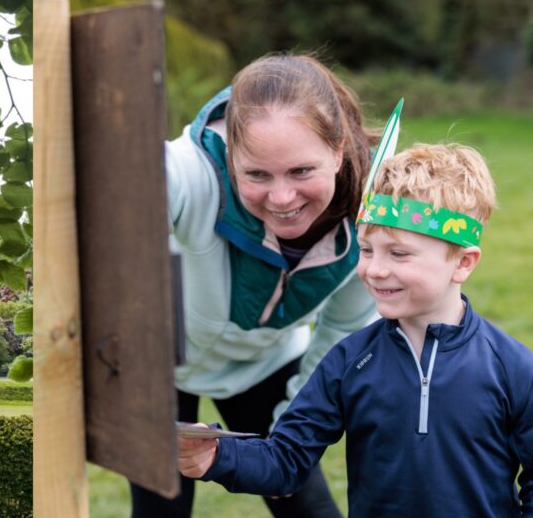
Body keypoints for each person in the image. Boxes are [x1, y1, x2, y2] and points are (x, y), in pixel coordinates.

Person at [178, 143, 533, 516]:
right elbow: (286, 459)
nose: (375, 269)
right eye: (366, 250)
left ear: (462, 263)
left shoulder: (512, 368)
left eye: (398, 253)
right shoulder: (350, 361)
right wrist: (216, 456)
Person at [135, 54, 379, 517]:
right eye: (257, 174)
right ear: (230, 157)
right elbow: (131, 187)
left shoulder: (368, 218)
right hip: (160, 363)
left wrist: (292, 438)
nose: (282, 198)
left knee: (307, 507)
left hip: (264, 364)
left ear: (338, 149)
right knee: (160, 511)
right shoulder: (191, 171)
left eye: (301, 171)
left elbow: (342, 333)